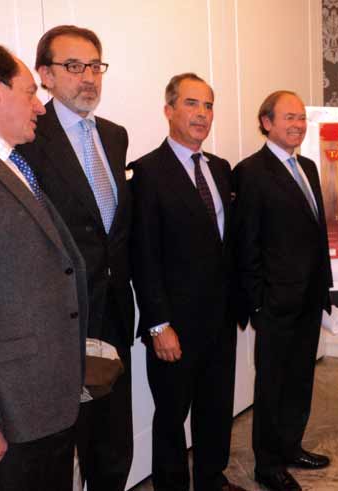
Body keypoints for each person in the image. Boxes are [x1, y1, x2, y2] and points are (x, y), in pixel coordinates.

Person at [16, 25, 135, 490]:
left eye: (94, 65)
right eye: (72, 66)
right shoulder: (29, 136)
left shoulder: (115, 135)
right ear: (45, 74)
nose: (88, 77)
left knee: (112, 446)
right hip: (59, 320)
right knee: (61, 449)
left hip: (114, 317)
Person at [130, 73, 247, 491]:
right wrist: (158, 325)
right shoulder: (147, 172)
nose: (202, 114)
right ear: (169, 111)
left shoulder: (220, 169)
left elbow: (228, 245)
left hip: (220, 320)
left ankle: (212, 479)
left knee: (217, 409)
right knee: (171, 417)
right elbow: (143, 256)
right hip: (174, 326)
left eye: (209, 105)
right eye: (192, 104)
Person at [0, 43, 88, 491]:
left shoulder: (12, 163)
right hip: (8, 409)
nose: (40, 108)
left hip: (46, 397)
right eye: (30, 92)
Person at [233, 90, 333, 491]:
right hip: (274, 302)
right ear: (266, 123)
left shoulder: (306, 166)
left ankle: (291, 446)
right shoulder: (250, 172)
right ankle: (268, 465)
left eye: (301, 118)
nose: (297, 125)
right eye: (288, 117)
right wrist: (258, 302)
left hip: (309, 297)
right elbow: (246, 244)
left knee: (300, 378)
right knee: (272, 383)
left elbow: (314, 233)